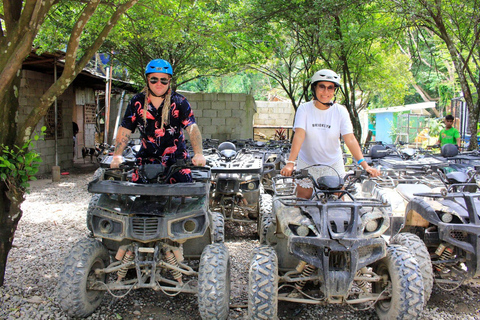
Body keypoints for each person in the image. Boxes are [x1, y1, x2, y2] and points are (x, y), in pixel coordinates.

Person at [280, 69, 381, 199]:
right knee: (302, 202)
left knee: (339, 201)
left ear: (334, 91)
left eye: (330, 88)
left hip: (333, 163)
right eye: (322, 87)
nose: (326, 92)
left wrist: (365, 165)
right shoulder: (304, 109)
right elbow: (299, 135)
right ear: (314, 88)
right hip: (307, 162)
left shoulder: (340, 111)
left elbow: (350, 139)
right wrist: (290, 163)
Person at [110, 59, 206, 183]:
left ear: (169, 81)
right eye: (154, 79)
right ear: (147, 80)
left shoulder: (180, 102)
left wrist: (198, 153)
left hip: (176, 162)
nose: (158, 83)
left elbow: (191, 127)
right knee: (137, 198)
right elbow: (126, 129)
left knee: (185, 196)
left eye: (163, 80)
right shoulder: (136, 102)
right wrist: (117, 155)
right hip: (146, 162)